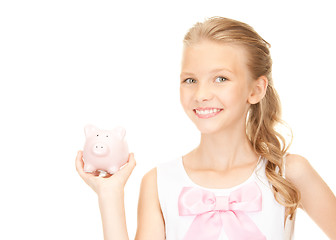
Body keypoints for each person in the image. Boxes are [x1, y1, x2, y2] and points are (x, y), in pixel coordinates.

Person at [75, 16, 336, 240]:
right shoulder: (158, 182)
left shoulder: (288, 173)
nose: (201, 94)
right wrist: (110, 194)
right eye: (190, 80)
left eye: (220, 78)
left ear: (256, 90)